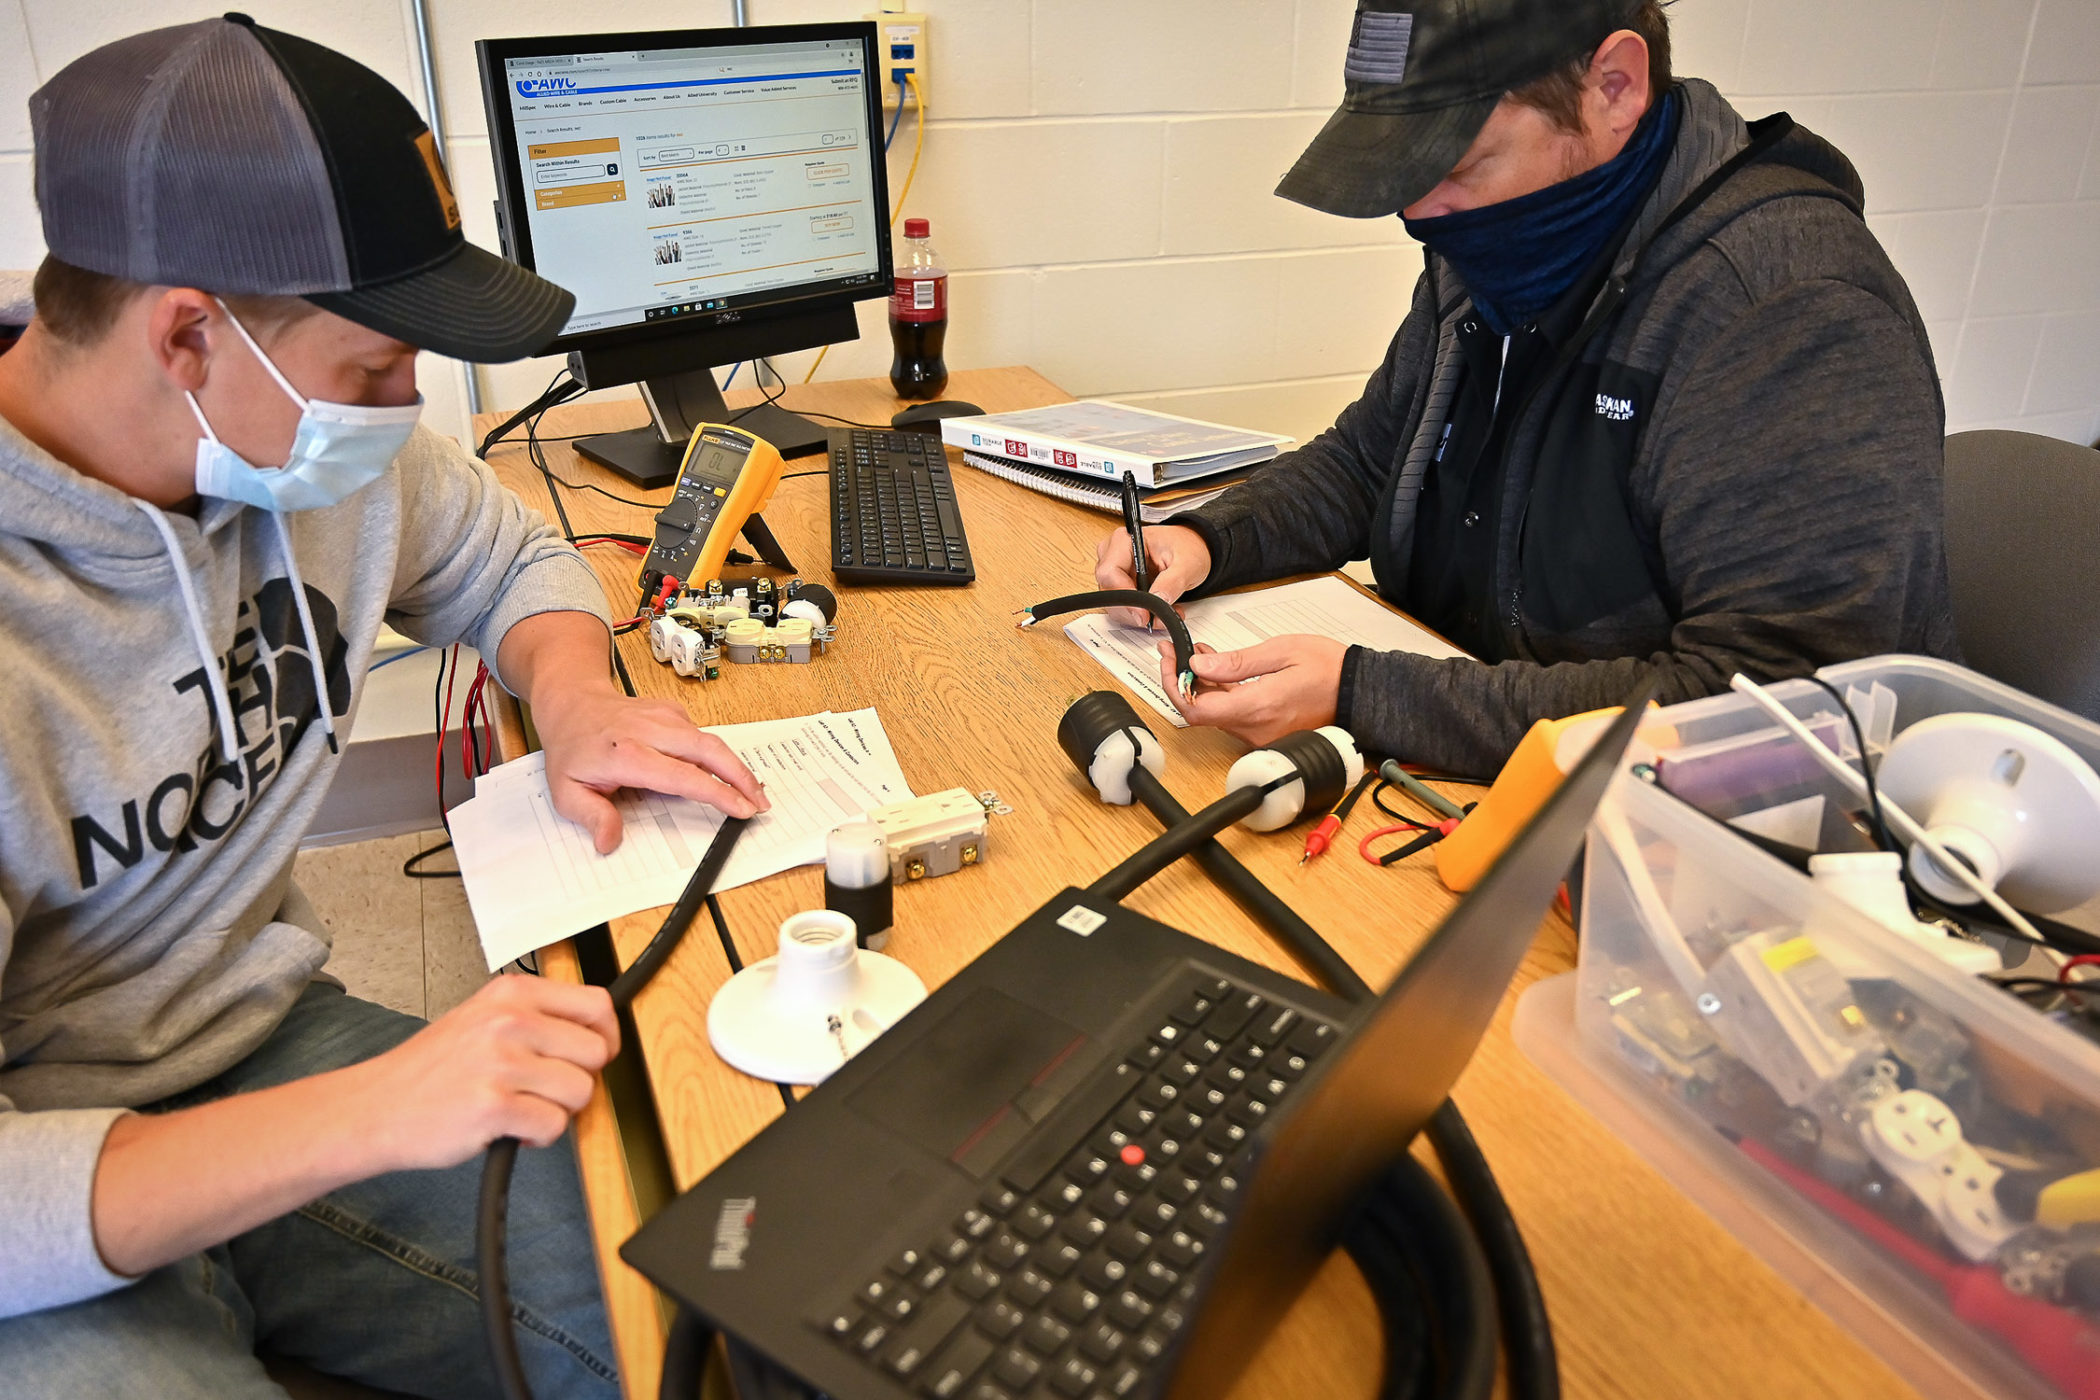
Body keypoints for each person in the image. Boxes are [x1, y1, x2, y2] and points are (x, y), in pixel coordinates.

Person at [0, 17, 768, 1397]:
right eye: (371, 372)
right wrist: (368, 1116)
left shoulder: (315, 449)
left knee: (721, 1308)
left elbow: (512, 557)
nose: (405, 408)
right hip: (30, 1174)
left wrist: (576, 694)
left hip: (254, 1045)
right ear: (187, 334)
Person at [1095, 0, 1957, 776]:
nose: (1422, 212)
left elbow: (1775, 710)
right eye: (1404, 172)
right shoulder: (1507, 248)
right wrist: (1211, 538)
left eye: (1460, 162)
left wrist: (1366, 695)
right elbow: (1371, 461)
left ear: (1614, 87)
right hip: (1467, 788)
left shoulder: (1784, 309)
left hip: (1680, 859)